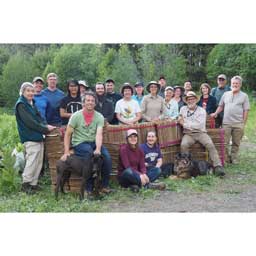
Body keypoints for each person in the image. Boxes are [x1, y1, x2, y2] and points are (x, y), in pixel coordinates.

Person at [60, 92, 112, 196]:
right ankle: (88, 188)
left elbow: (98, 134)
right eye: (88, 100)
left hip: (93, 142)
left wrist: (98, 148)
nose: (90, 102)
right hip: (80, 143)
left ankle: (104, 186)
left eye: (92, 101)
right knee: (89, 154)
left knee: (106, 157)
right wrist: (66, 151)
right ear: (83, 103)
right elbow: (68, 134)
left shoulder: (99, 117)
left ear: (95, 103)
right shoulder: (75, 116)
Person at [15, 82, 56, 194]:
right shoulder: (21, 105)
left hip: (37, 136)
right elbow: (30, 122)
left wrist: (45, 125)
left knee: (38, 161)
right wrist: (45, 129)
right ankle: (26, 184)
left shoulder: (32, 103)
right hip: (30, 136)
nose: (31, 93)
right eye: (28, 91)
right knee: (32, 161)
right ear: (23, 92)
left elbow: (40, 118)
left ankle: (33, 184)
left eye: (32, 91)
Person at [178, 91, 225, 176]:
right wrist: (181, 120)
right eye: (188, 99)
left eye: (192, 99)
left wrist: (185, 124)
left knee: (210, 144)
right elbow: (179, 118)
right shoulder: (183, 109)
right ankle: (186, 166)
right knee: (183, 145)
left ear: (196, 100)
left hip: (201, 133)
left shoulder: (201, 110)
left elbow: (199, 125)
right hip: (189, 134)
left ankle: (218, 166)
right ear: (186, 100)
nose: (190, 101)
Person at [210, 76, 250, 164]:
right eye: (233, 83)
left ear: (240, 84)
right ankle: (226, 158)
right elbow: (221, 106)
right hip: (226, 123)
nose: (235, 85)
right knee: (225, 142)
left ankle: (234, 157)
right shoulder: (226, 94)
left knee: (236, 142)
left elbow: (246, 110)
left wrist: (243, 123)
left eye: (237, 83)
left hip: (238, 123)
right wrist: (215, 113)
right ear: (231, 84)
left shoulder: (244, 96)